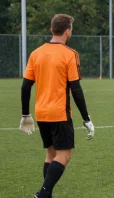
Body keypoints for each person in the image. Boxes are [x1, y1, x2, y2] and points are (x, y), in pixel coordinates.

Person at [19, 14, 95, 197]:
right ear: (67, 31)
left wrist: (25, 115)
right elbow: (76, 89)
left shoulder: (36, 53)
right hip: (59, 113)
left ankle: (47, 195)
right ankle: (43, 194)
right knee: (64, 155)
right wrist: (86, 118)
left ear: (51, 29)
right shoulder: (70, 54)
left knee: (51, 155)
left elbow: (25, 85)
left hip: (41, 113)